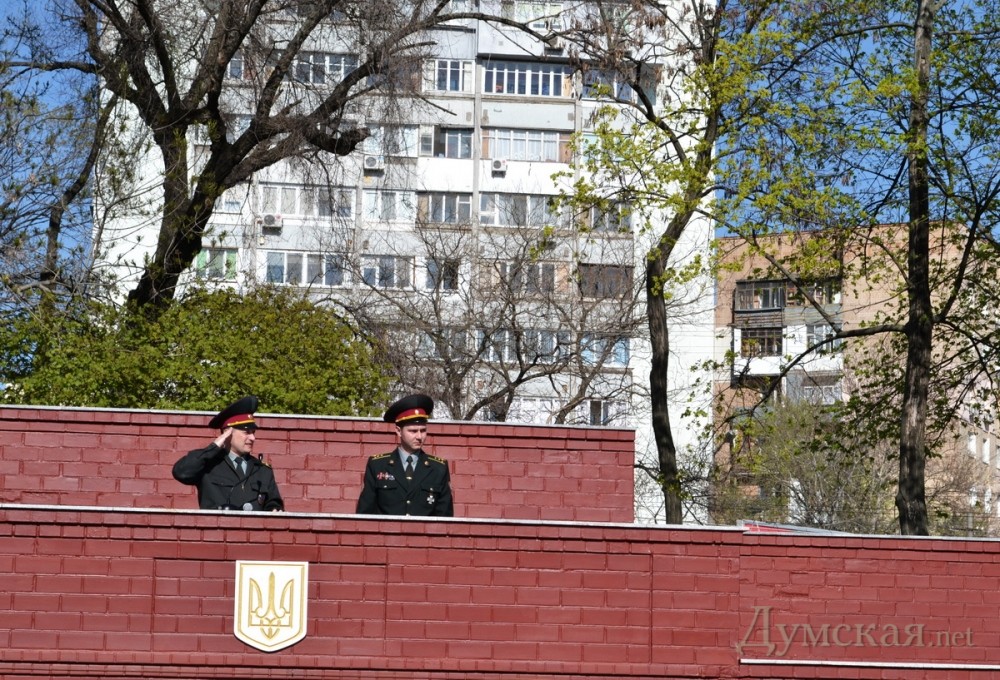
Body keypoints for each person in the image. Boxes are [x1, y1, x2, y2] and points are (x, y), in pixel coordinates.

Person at [172, 396, 284, 511]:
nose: (252, 438)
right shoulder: (208, 465)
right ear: (228, 433)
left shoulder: (261, 470)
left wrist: (274, 508)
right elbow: (181, 472)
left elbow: (273, 503)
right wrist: (214, 447)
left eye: (253, 432)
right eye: (246, 432)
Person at [356, 394, 453, 516]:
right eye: (413, 431)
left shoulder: (438, 468)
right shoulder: (378, 465)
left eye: (423, 431)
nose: (419, 436)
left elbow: (445, 517)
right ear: (398, 431)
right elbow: (365, 514)